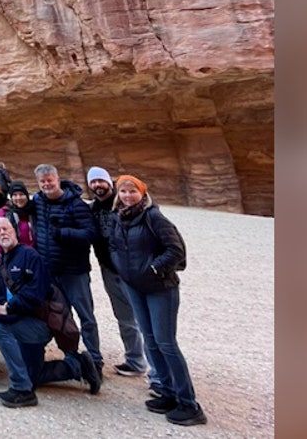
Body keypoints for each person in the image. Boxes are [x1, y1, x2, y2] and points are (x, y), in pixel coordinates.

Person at [106, 175, 206, 426]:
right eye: (123, 192)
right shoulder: (119, 217)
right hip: (134, 288)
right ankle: (168, 393)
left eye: (132, 191)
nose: (127, 196)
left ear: (142, 193)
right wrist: (123, 270)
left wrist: (153, 269)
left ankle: (189, 404)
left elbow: (176, 250)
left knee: (166, 343)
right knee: (150, 341)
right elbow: (115, 247)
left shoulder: (154, 217)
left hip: (160, 289)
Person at [0, 217, 100, 408]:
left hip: (39, 323)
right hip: (21, 321)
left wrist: (7, 310)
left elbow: (35, 296)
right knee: (33, 375)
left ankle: (22, 389)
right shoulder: (1, 264)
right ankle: (77, 366)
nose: (2, 233)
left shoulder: (30, 256)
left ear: (15, 231)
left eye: (6, 229)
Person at [32, 164, 102, 374]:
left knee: (85, 315)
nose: (47, 184)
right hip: (51, 271)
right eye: (42, 182)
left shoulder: (76, 205)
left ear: (57, 178)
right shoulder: (39, 202)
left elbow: (90, 234)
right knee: (60, 316)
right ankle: (72, 355)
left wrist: (63, 233)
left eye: (49, 180)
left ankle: (95, 361)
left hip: (74, 271)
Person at [86, 166, 147, 378]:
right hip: (109, 270)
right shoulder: (93, 209)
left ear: (109, 182)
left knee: (145, 318)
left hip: (132, 270)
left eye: (100, 181)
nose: (97, 185)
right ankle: (136, 360)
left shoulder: (125, 204)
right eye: (93, 182)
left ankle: (158, 372)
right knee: (125, 317)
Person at [0, 182, 37, 264]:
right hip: (13, 256)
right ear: (11, 198)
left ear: (26, 195)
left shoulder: (34, 210)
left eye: (21, 194)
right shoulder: (4, 213)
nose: (18, 198)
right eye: (15, 195)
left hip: (34, 255)